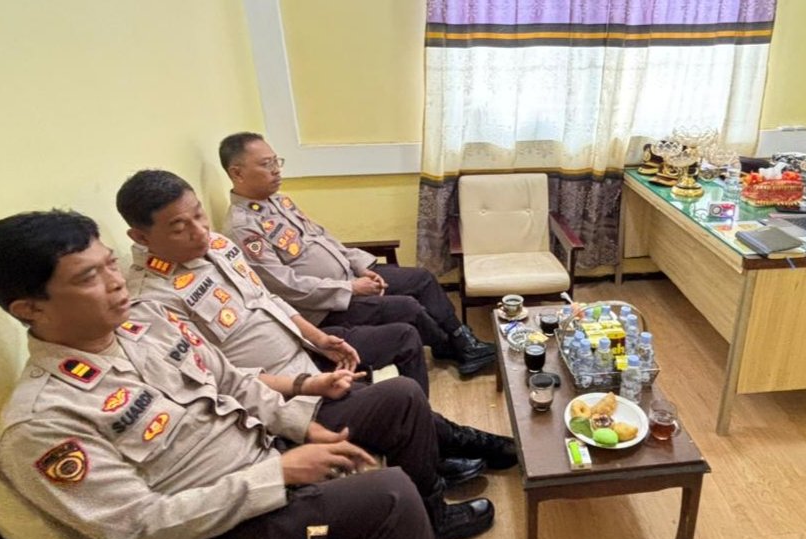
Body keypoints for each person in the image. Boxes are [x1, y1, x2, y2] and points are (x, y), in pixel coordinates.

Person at [0, 211, 511, 539]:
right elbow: (140, 527)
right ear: (29, 308)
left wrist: (303, 423)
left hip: (265, 456)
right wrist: (278, 473)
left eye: (110, 263)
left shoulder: (143, 326)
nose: (115, 282)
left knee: (399, 397)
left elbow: (232, 381)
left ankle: (432, 517)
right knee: (387, 491)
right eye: (89, 277)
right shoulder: (44, 422)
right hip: (210, 536)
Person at [115, 170, 517, 481]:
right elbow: (220, 381)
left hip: (307, 349)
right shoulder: (153, 304)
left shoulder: (218, 246)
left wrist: (322, 339)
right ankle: (451, 451)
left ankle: (433, 443)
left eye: (199, 214)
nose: (199, 230)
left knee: (403, 337)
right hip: (284, 394)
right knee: (401, 394)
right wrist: (304, 382)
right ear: (140, 236)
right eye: (179, 226)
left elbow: (269, 300)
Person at [218, 131, 497, 376]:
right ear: (237, 173)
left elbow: (323, 238)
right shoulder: (244, 228)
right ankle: (449, 346)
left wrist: (360, 266)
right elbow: (285, 286)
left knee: (421, 279)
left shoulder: (278, 201)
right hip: (324, 308)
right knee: (408, 307)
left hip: (350, 277)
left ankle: (462, 341)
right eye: (266, 164)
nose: (277, 170)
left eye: (276, 161)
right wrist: (351, 288)